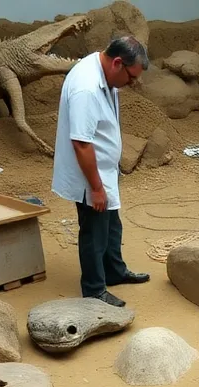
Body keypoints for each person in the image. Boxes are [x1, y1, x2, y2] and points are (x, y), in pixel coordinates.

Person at [52, 36, 150, 308]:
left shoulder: (103, 72)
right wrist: (96, 187)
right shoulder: (86, 87)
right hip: (89, 175)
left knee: (111, 225)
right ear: (118, 63)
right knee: (94, 232)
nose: (131, 83)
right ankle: (95, 289)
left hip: (103, 170)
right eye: (130, 77)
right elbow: (81, 143)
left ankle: (114, 272)